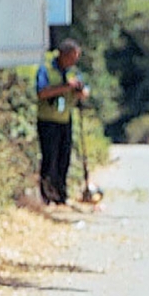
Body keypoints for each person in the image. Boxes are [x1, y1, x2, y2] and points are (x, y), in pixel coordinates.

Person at [35, 38, 90, 205]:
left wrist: (80, 91)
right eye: (71, 57)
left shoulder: (74, 72)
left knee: (64, 158)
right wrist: (66, 87)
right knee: (49, 158)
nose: (74, 61)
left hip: (65, 120)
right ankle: (46, 195)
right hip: (47, 120)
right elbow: (42, 92)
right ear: (62, 55)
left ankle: (61, 194)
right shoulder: (46, 69)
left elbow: (85, 90)